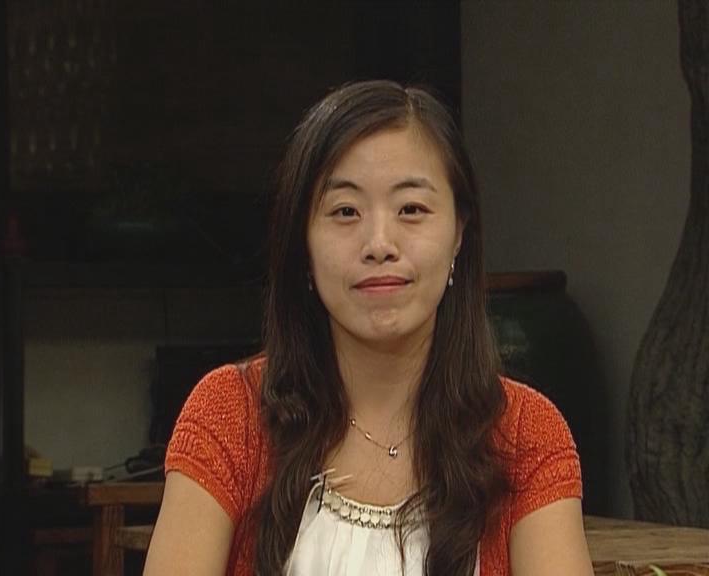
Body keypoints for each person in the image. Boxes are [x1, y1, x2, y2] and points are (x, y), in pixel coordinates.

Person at [143, 80, 594, 576]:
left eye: (411, 210)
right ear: (303, 243)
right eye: (345, 212)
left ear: (459, 232)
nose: (379, 244)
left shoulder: (527, 435)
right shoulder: (229, 415)